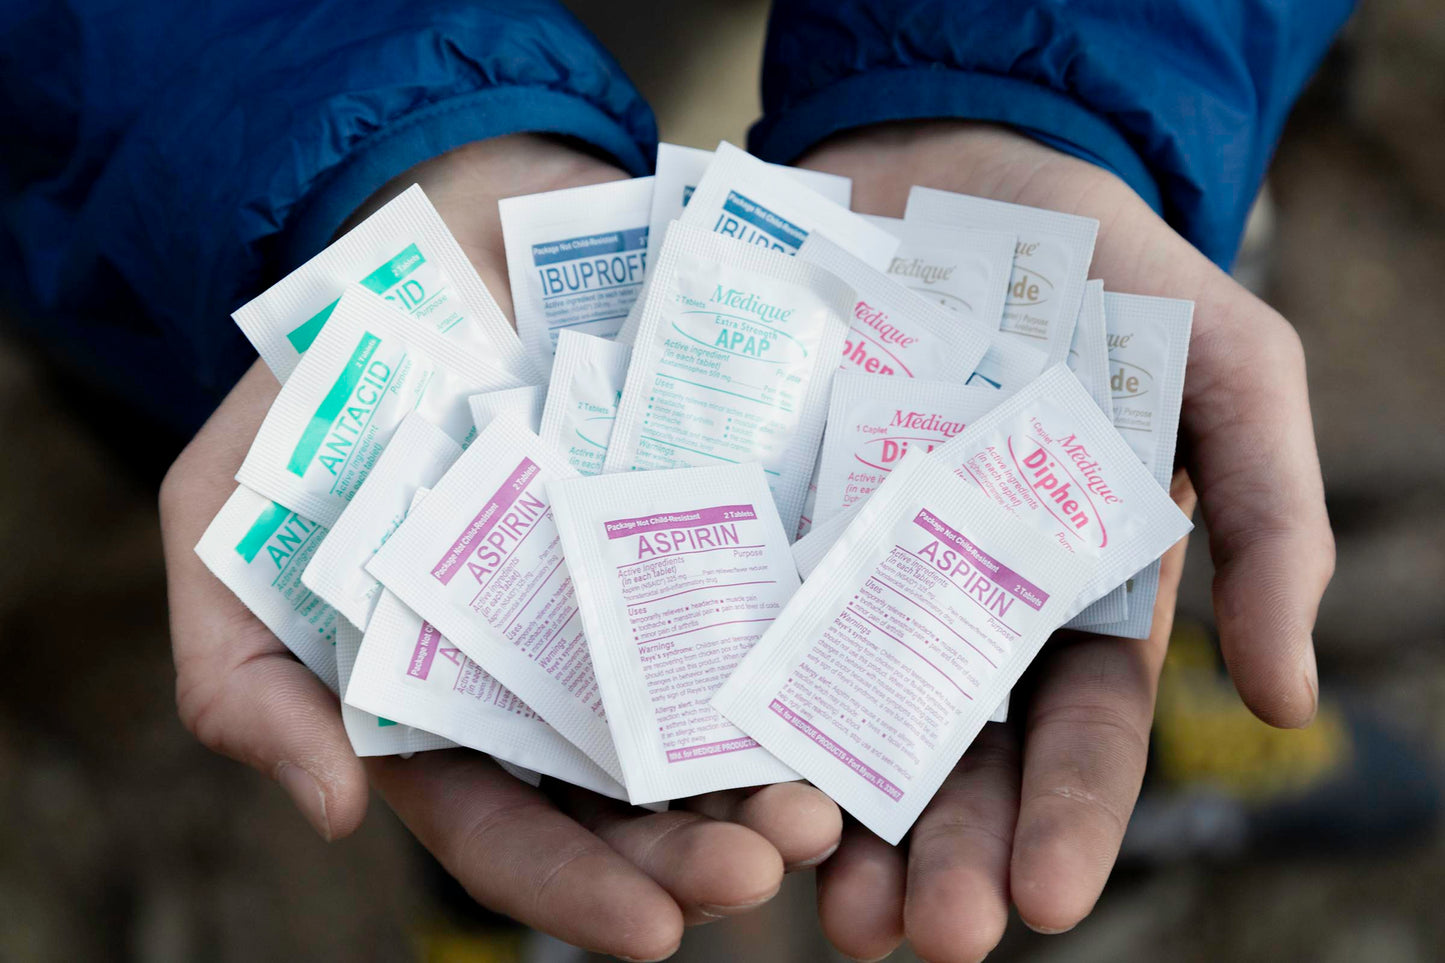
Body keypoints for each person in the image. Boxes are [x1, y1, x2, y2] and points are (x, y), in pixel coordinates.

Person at [1, 1, 1348, 959]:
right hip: (221, 163)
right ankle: (485, 892)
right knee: (374, 637)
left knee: (1121, 462)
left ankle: (1080, 650)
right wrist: (345, 149)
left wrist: (1050, 83)